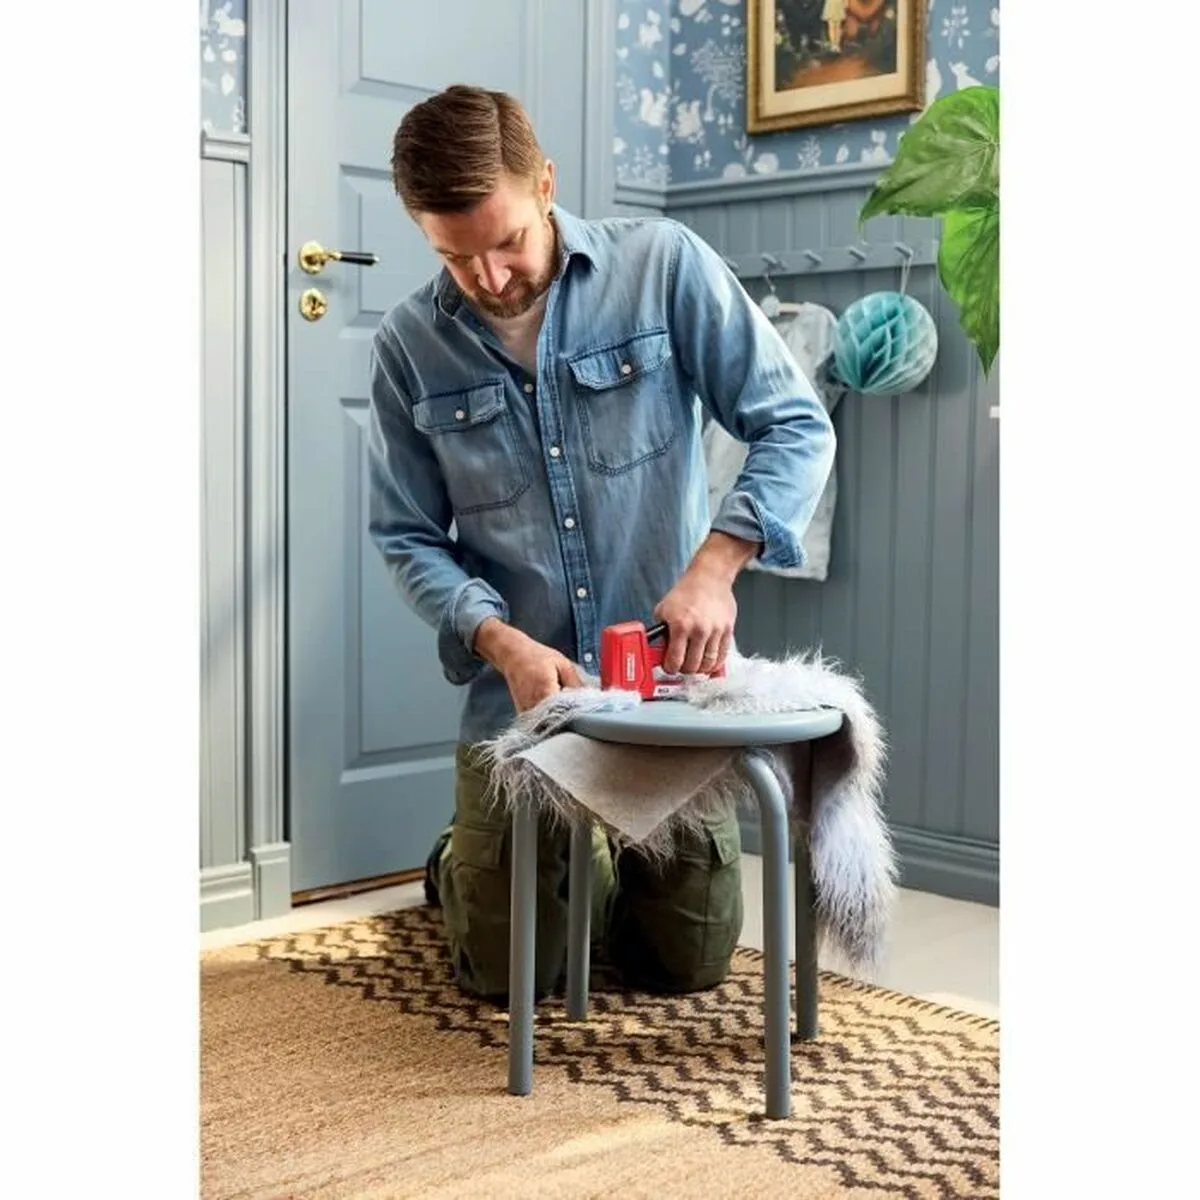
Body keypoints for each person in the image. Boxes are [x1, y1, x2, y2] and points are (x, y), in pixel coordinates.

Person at [367, 84, 835, 1003]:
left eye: (507, 242)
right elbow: (407, 536)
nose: (489, 277)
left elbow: (794, 424)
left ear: (544, 184)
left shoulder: (663, 265)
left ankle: (596, 867)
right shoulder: (409, 344)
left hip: (669, 696)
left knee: (684, 967)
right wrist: (500, 642)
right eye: (455, 256)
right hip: (521, 715)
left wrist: (715, 568)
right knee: (514, 978)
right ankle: (467, 859)